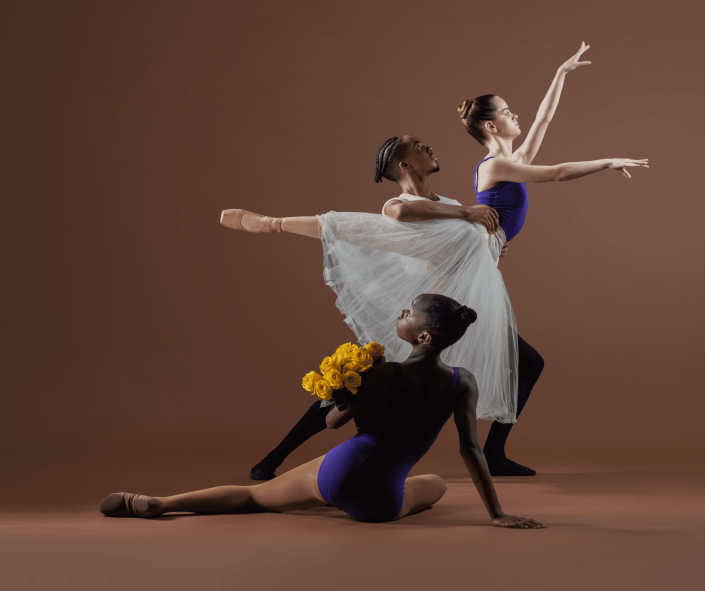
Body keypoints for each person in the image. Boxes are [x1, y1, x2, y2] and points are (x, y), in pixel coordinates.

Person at [99, 295, 545, 529]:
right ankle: (342, 498)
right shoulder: (461, 381)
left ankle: (157, 503)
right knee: (434, 485)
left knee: (255, 497)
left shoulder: (379, 372)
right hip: (381, 503)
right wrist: (496, 513)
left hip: (339, 471)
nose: (402, 312)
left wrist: (341, 397)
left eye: (410, 311)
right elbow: (470, 447)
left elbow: (333, 423)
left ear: (423, 336)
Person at [221, 135, 522, 479]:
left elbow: (454, 250)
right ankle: (275, 458)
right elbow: (394, 213)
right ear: (406, 165)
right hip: (432, 322)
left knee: (524, 364)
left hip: (457, 313)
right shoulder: (407, 203)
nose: (429, 147)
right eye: (419, 146)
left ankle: (491, 453)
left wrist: (488, 250)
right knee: (357, 388)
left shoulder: (446, 202)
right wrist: (468, 213)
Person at [456, 42, 649, 474]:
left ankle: (491, 453)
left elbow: (543, 119)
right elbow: (559, 173)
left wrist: (561, 73)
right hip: (473, 273)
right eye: (507, 111)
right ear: (491, 124)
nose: (516, 115)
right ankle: (486, 453)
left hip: (484, 269)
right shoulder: (492, 166)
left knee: (503, 361)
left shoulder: (511, 160)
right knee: (443, 361)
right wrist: (606, 161)